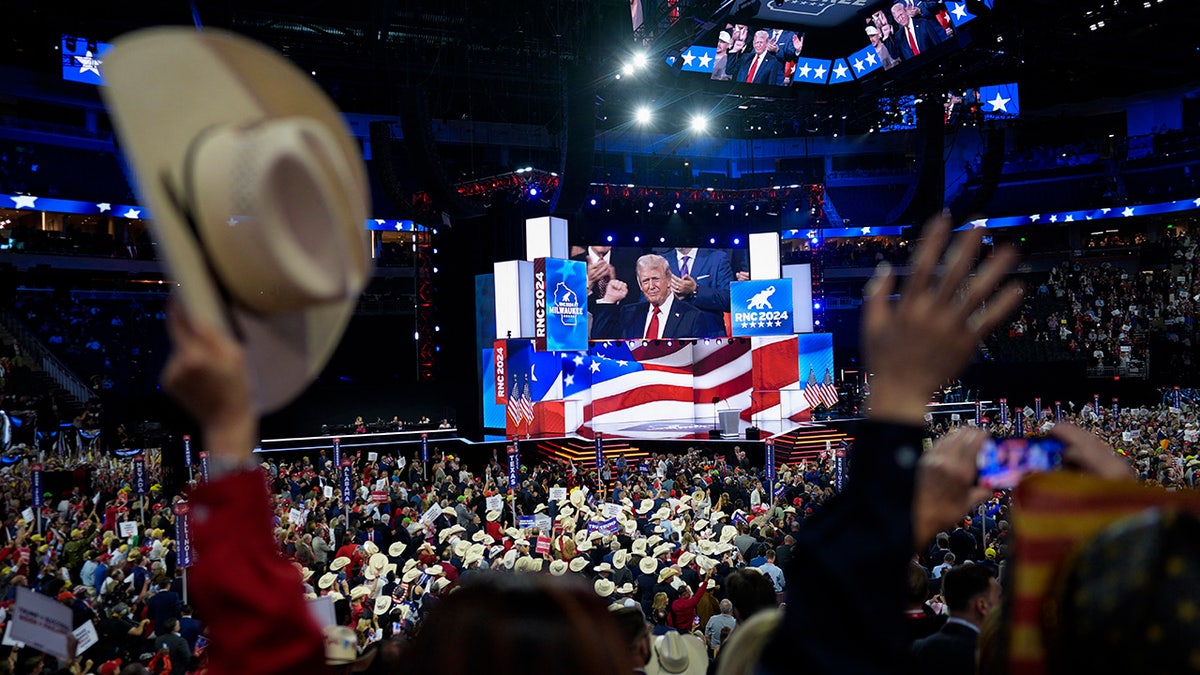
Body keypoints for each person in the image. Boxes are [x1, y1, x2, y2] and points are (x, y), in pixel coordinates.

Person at [591, 254, 723, 340]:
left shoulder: (692, 316)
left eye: (655, 279)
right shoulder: (629, 313)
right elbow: (600, 340)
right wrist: (609, 300)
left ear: (669, 280)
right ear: (640, 285)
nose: (651, 286)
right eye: (645, 281)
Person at [911, 564, 1001, 674]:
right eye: (999, 597)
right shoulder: (991, 656)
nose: (1003, 604)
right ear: (982, 606)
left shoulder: (918, 649)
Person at [658, 246, 734, 330]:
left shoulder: (717, 258)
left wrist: (695, 290)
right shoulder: (660, 261)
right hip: (672, 334)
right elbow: (646, 302)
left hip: (708, 333)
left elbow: (729, 300)